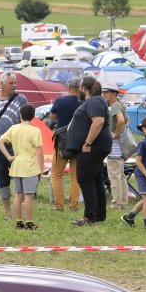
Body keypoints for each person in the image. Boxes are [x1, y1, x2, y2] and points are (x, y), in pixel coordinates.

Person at [0, 73, 29, 221]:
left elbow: (27, 123)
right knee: (1, 179)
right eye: (11, 83)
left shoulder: (21, 99)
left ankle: (21, 210)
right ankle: (8, 212)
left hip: (17, 146)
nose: (14, 86)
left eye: (15, 83)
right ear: (1, 84)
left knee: (21, 177)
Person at [70, 76, 111, 226]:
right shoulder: (96, 101)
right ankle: (99, 214)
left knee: (85, 178)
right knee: (95, 179)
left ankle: (89, 216)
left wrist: (87, 143)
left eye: (80, 87)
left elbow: (98, 121)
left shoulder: (95, 101)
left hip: (93, 147)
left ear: (84, 88)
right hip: (97, 146)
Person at [0, 103, 43, 232]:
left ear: (20, 115)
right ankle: (29, 223)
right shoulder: (35, 131)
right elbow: (39, 152)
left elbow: (0, 141)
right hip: (29, 166)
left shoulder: (14, 128)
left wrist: (9, 157)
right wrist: (40, 169)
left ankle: (19, 222)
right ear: (33, 116)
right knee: (28, 196)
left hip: (16, 165)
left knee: (18, 195)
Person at [47, 80, 82, 210]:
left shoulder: (60, 100)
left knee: (56, 174)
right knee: (75, 176)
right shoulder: (83, 102)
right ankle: (73, 205)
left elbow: (52, 117)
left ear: (69, 87)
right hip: (78, 141)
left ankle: (59, 205)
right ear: (80, 88)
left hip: (61, 141)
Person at [103, 85, 135, 210]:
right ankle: (123, 203)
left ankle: (116, 204)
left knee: (114, 177)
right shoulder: (121, 104)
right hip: (121, 147)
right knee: (121, 177)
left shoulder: (114, 106)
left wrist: (116, 133)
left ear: (113, 93)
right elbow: (127, 120)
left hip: (114, 146)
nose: (104, 94)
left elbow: (121, 120)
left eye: (106, 92)